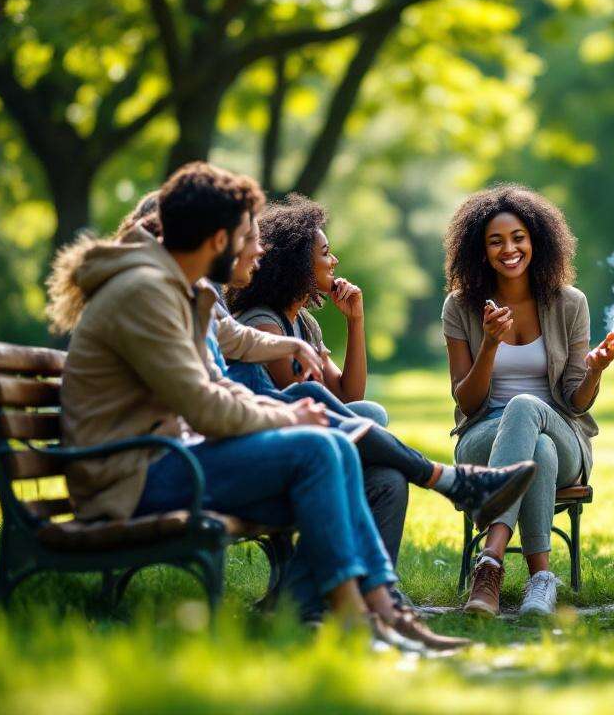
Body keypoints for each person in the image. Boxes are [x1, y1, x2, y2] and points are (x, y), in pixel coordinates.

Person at [48, 161, 464, 651]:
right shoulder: (145, 293)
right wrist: (288, 416)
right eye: (249, 236)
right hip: (131, 476)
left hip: (169, 458)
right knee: (319, 449)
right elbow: (205, 407)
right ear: (217, 239)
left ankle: (368, 611)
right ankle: (357, 619)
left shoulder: (180, 285)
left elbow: (232, 339)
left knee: (372, 473)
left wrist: (291, 349)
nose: (259, 248)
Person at [223, 196, 536, 557]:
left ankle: (380, 590)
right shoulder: (264, 323)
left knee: (387, 470)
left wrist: (355, 321)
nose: (334, 260)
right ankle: (445, 479)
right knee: (369, 416)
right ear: (298, 264)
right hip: (278, 453)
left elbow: (348, 394)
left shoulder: (303, 323)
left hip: (313, 443)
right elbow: (308, 402)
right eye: (325, 253)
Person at [443, 184, 614, 617]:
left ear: (536, 240)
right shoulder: (460, 307)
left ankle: (491, 563)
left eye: (518, 237)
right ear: (479, 250)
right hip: (483, 435)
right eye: (496, 240)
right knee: (534, 448)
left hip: (563, 434)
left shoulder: (569, 303)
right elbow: (467, 403)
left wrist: (595, 370)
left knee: (527, 411)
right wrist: (488, 345)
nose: (509, 248)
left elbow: (576, 404)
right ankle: (541, 580)